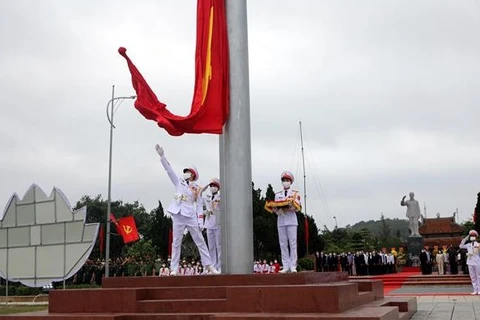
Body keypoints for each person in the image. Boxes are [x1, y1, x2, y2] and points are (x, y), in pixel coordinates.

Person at [155, 144, 219, 276]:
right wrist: (162, 156)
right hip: (178, 214)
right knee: (176, 242)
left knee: (200, 241)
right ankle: (174, 268)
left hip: (190, 215)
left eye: (187, 172)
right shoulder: (179, 183)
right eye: (185, 171)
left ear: (192, 175)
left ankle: (209, 265)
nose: (185, 174)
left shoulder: (197, 188)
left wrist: (201, 222)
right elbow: (169, 171)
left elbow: (200, 205)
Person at [271, 171, 302, 273]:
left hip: (292, 221)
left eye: (287, 180)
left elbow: (298, 208)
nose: (285, 182)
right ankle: (285, 266)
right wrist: (276, 209)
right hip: (281, 220)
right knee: (283, 244)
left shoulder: (295, 194)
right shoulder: (277, 195)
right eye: (284, 180)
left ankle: (293, 266)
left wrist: (291, 207)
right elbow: (275, 208)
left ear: (291, 182)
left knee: (292, 244)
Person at [202, 178, 222, 272]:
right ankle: (213, 266)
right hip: (209, 222)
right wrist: (205, 187)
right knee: (211, 246)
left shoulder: (221, 197)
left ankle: (220, 266)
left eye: (214, 186)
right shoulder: (207, 197)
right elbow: (198, 198)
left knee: (219, 245)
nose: (212, 188)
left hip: (218, 222)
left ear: (218, 188)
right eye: (211, 186)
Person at [459, 230, 480, 295]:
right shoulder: (468, 245)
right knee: (472, 276)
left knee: (478, 276)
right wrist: (466, 237)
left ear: (476, 237)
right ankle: (475, 290)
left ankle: (479, 290)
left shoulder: (479, 244)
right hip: (470, 262)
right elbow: (461, 246)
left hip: (477, 261)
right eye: (471, 236)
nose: (472, 237)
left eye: (473, 236)